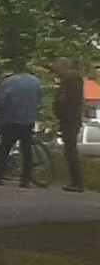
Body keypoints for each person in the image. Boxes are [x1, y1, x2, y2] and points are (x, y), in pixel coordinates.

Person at [0, 65, 44, 188]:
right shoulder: (36, 82)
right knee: (27, 151)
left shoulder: (9, 82)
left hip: (11, 120)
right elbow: (39, 100)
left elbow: (1, 101)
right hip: (28, 120)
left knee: (5, 148)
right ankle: (26, 179)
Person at [53, 61, 88, 194]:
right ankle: (75, 181)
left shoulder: (71, 80)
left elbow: (68, 101)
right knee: (69, 150)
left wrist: (60, 106)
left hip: (70, 120)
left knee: (71, 151)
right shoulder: (69, 80)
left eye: (58, 70)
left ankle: (77, 182)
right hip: (68, 119)